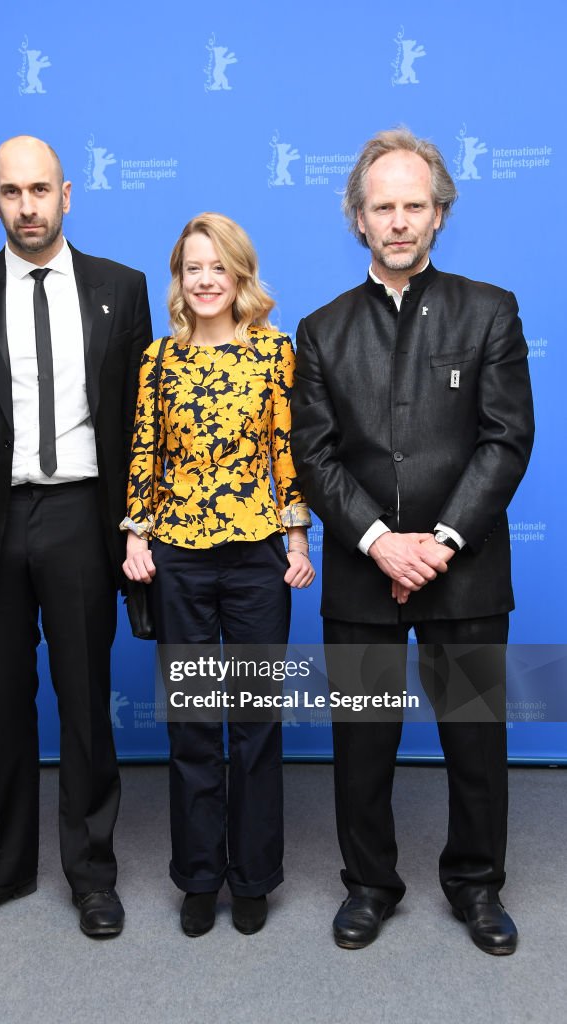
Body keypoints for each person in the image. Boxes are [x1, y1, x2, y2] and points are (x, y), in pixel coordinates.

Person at [291, 128, 534, 955]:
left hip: (463, 573)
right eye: (381, 206)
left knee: (474, 741)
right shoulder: (319, 330)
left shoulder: (489, 310)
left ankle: (475, 886)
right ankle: (368, 885)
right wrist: (377, 543)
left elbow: (505, 439)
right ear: (357, 219)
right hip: (363, 576)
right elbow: (313, 457)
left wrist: (437, 541)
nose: (398, 221)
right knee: (360, 743)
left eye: (414, 206)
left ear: (439, 215)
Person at [0, 135, 152, 937]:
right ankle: (7, 869)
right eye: (11, 192)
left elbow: (137, 424)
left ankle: (91, 875)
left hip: (83, 516)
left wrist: (136, 525)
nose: (27, 206)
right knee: (0, 704)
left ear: (68, 194)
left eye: (40, 189)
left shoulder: (123, 287)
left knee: (86, 701)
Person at [121, 213, 314, 937]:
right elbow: (145, 451)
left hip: (258, 558)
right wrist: (136, 534)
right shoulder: (158, 360)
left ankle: (254, 876)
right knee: (194, 724)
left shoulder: (273, 352)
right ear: (179, 279)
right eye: (190, 268)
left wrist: (298, 542)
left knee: (256, 724)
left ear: (240, 275)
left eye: (216, 267)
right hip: (177, 559)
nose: (203, 280)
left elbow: (284, 451)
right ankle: (200, 877)